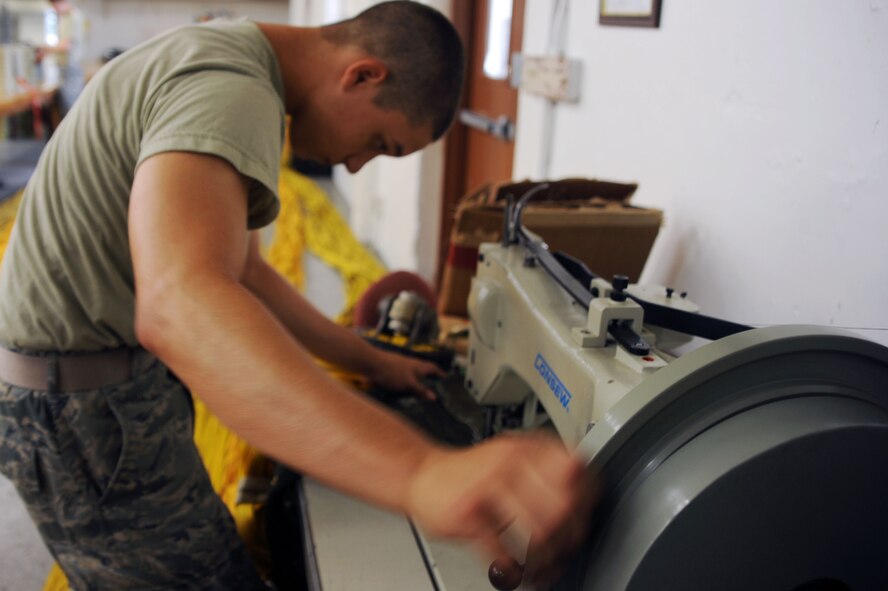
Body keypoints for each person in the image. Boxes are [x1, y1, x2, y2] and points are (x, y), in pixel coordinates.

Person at [0, 2, 596, 589]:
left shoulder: (229, 62)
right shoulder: (235, 89)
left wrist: (370, 360)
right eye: (380, 144)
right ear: (362, 75)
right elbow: (181, 301)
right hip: (82, 409)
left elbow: (245, 274)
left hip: (95, 389)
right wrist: (424, 473)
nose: (357, 167)